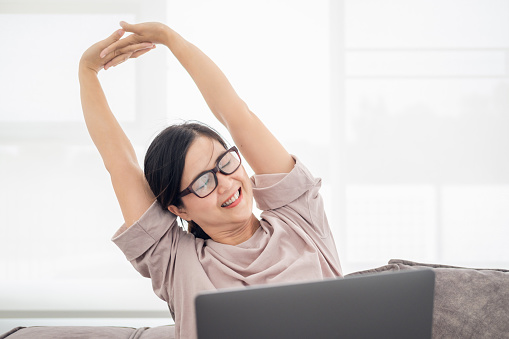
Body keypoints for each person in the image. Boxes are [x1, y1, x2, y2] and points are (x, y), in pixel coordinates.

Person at [79, 21, 342, 339]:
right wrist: (88, 71)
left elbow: (236, 113)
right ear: (179, 209)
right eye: (203, 182)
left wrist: (171, 39)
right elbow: (119, 163)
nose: (227, 183)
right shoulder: (175, 259)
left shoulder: (299, 218)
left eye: (225, 163)